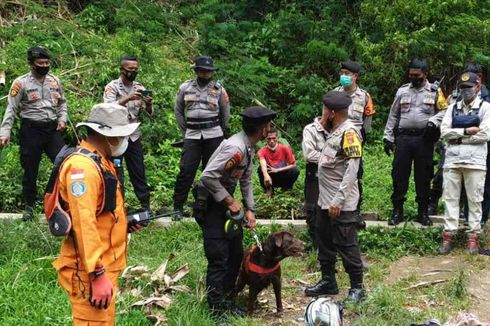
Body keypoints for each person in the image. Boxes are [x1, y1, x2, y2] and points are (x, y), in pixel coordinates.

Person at [52, 103, 142, 325]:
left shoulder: (100, 160)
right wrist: (97, 275)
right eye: (121, 136)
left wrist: (123, 224)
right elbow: (84, 223)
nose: (124, 141)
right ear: (106, 135)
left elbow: (101, 212)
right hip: (89, 269)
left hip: (105, 262)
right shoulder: (82, 169)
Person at [196, 106, 276, 317]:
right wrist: (230, 201)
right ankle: (215, 310)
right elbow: (207, 177)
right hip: (212, 204)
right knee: (219, 258)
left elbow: (246, 179)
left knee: (235, 255)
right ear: (262, 129)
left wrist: (250, 209)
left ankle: (227, 301)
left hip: (225, 203)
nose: (270, 129)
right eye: (268, 125)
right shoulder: (236, 148)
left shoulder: (248, 147)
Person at [304, 91, 365, 303]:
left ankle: (358, 287)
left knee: (346, 243)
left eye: (324, 109)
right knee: (324, 241)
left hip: (341, 203)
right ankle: (328, 280)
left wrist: (338, 200)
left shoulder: (349, 133)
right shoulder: (335, 131)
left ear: (330, 112)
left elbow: (352, 170)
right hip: (324, 199)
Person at [0, 46, 66, 221]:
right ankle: (29, 206)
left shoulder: (54, 81)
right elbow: (11, 109)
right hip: (31, 130)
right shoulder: (20, 83)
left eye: (46, 62)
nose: (44, 66)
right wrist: (4, 132)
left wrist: (62, 119)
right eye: (40, 63)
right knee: (30, 170)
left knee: (63, 163)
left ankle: (58, 202)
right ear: (31, 64)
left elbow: (62, 104)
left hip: (52, 130)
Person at [383, 58, 448, 226]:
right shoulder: (402, 91)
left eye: (416, 75)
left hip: (424, 140)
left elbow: (445, 112)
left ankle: (423, 212)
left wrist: (433, 121)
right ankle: (397, 211)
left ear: (425, 74)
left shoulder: (435, 91)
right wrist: (388, 137)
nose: (413, 77)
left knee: (424, 176)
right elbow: (393, 115)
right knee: (399, 175)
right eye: (410, 75)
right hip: (403, 139)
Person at [439, 72, 490, 255]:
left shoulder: (486, 108)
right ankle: (448, 234)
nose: (466, 91)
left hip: (475, 162)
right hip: (452, 160)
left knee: (475, 200)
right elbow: (444, 132)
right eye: (463, 88)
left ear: (478, 87)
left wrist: (457, 134)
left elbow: (485, 134)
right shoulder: (452, 108)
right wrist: (467, 131)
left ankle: (473, 237)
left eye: (469, 88)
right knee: (450, 198)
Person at [173, 55, 230, 218]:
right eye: (202, 70)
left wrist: (219, 131)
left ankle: (210, 206)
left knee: (212, 171)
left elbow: (226, 115)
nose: (205, 74)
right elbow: (178, 110)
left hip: (213, 135)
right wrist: (186, 132)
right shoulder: (185, 87)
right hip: (192, 135)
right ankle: (178, 207)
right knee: (186, 170)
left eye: (208, 71)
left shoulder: (219, 90)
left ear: (212, 72)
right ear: (196, 71)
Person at [103, 55, 153, 210]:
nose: (134, 72)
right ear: (122, 69)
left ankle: (145, 205)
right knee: (116, 172)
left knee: (138, 171)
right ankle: (117, 205)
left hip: (133, 135)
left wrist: (149, 104)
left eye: (136, 69)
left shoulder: (140, 87)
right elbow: (107, 108)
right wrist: (127, 98)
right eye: (130, 69)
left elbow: (149, 113)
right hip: (116, 135)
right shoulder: (112, 87)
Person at [334, 60, 376, 225]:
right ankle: (334, 209)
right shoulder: (335, 94)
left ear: (355, 76)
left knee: (355, 177)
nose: (343, 76)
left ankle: (355, 213)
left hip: (355, 143)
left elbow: (368, 121)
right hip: (335, 142)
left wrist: (361, 141)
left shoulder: (364, 96)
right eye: (342, 73)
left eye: (347, 73)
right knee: (335, 176)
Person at [302, 106, 330, 249]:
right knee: (312, 211)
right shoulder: (310, 129)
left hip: (333, 176)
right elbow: (309, 155)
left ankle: (330, 245)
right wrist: (331, 158)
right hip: (315, 175)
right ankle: (316, 246)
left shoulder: (341, 129)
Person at [257, 127, 299, 197]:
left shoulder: (285, 148)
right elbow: (262, 163)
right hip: (270, 177)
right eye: (269, 139)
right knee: (260, 169)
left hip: (282, 174)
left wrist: (277, 170)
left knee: (294, 170)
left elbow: (293, 164)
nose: (272, 141)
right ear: (265, 139)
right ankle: (269, 189)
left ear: (277, 138)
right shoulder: (262, 151)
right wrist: (266, 175)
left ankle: (286, 188)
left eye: (274, 138)